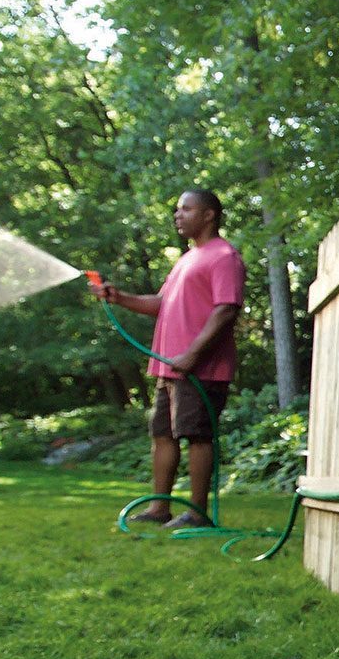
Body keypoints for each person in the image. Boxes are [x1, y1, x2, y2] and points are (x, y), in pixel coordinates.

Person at [89, 188, 245, 529]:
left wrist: (192, 354)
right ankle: (160, 508)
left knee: (198, 436)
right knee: (163, 435)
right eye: (177, 209)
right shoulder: (187, 260)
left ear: (209, 215)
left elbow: (226, 310)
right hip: (169, 366)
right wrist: (120, 297)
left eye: (186, 209)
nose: (178, 215)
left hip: (200, 369)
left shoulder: (223, 256)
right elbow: (162, 304)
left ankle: (198, 514)